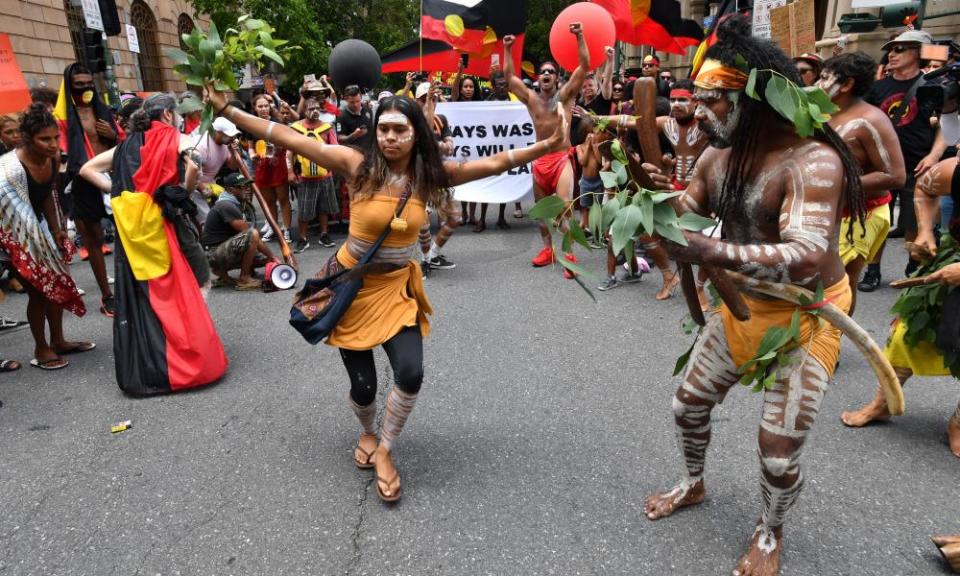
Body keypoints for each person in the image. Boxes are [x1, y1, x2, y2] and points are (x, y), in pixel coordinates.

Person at [206, 79, 567, 502]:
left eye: (400, 129)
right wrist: (229, 110)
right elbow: (284, 135)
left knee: (411, 373)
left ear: (417, 132)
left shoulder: (428, 175)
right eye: (384, 129)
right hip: (351, 287)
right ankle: (366, 431)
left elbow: (495, 163)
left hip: (397, 288)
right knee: (363, 387)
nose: (391, 137)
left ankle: (386, 449)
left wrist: (547, 146)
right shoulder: (358, 167)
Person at [640, 16, 865, 576]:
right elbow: (686, 208)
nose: (700, 112)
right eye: (700, 100)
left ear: (754, 100)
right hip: (740, 308)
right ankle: (693, 483)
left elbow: (809, 253)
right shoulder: (720, 156)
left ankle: (771, 530)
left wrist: (710, 253)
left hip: (806, 315)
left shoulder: (812, 160)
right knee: (687, 406)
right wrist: (641, 206)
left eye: (715, 101)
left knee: (778, 450)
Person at [79, 93, 226, 394]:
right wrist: (181, 192)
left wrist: (119, 192)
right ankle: (190, 352)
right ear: (169, 115)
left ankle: (155, 357)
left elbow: (86, 169)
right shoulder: (175, 138)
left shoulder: (124, 147)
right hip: (164, 225)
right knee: (183, 288)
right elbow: (195, 165)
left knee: (148, 294)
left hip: (133, 228)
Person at [840, 153, 960, 458]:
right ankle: (883, 404)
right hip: (952, 258)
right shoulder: (955, 171)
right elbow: (924, 187)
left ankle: (959, 423)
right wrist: (925, 231)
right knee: (907, 331)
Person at [1, 104, 91, 370]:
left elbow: (47, 196)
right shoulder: (9, 169)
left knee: (56, 285)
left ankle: (58, 341)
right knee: (39, 291)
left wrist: (56, 229)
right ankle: (41, 349)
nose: (53, 144)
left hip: (38, 227)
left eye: (55, 138)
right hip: (10, 234)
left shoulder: (51, 159)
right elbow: (7, 216)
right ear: (28, 139)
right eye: (45, 139)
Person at [817, 52, 906, 315]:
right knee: (814, 282)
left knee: (838, 283)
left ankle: (830, 345)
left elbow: (895, 176)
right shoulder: (823, 112)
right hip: (829, 213)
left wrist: (836, 185)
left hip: (860, 215)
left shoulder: (871, 120)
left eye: (824, 78)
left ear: (846, 85)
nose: (817, 84)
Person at [860, 29, 946, 290]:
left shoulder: (935, 86)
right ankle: (872, 270)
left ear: (919, 53)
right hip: (881, 167)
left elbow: (945, 126)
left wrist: (933, 156)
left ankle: (912, 268)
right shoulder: (877, 87)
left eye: (900, 49)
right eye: (891, 50)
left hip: (917, 165)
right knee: (878, 220)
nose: (892, 54)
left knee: (912, 222)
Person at [503, 23, 590, 275]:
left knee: (564, 207)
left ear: (557, 78)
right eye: (543, 71)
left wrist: (579, 36)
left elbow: (584, 67)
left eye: (551, 71)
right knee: (541, 212)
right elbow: (509, 78)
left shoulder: (565, 96)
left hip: (562, 158)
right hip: (540, 160)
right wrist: (508, 48)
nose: (546, 74)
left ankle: (569, 254)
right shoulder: (531, 98)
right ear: (538, 77)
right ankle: (548, 249)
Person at [57, 63, 122, 317]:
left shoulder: (102, 110)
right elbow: (62, 149)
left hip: (111, 175)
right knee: (94, 241)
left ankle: (133, 286)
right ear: (69, 87)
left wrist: (112, 135)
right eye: (79, 85)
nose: (85, 88)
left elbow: (121, 140)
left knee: (126, 234)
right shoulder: (63, 116)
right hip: (83, 182)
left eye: (88, 83)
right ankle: (107, 296)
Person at [201, 176, 279, 289]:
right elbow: (249, 234)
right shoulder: (226, 205)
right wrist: (272, 257)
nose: (247, 189)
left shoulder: (233, 203)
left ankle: (224, 276)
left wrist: (270, 258)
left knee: (263, 257)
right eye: (242, 187)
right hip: (214, 254)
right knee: (253, 234)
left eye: (247, 186)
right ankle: (244, 278)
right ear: (231, 190)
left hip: (219, 250)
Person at [414, 82, 460, 272]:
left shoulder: (442, 119)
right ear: (417, 101)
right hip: (418, 176)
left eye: (432, 99)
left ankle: (432, 255)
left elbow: (449, 145)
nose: (429, 102)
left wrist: (446, 144)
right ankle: (424, 260)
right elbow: (425, 139)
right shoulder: (412, 120)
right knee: (422, 222)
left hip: (438, 174)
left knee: (455, 217)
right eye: (425, 99)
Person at [289, 97, 340, 251]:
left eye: (318, 108)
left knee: (324, 208)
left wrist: (336, 167)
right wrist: (290, 171)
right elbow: (289, 151)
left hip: (325, 175)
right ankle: (303, 238)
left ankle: (324, 234)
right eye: (311, 109)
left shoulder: (327, 127)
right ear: (304, 111)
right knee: (304, 209)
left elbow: (335, 148)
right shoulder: (296, 128)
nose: (315, 111)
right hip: (304, 176)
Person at [483, 69, 524, 228]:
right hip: (491, 149)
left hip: (508, 148)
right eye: (499, 85)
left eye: (505, 85)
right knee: (487, 182)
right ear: (493, 86)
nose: (503, 87)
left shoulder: (516, 103)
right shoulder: (486, 104)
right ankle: (482, 218)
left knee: (505, 182)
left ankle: (501, 217)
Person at [250, 94, 292, 243]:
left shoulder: (277, 123)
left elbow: (287, 144)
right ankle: (274, 229)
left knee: (283, 198)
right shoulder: (252, 125)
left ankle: (286, 229)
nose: (263, 109)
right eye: (260, 106)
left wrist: (278, 147)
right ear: (255, 108)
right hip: (262, 166)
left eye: (266, 106)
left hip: (277, 164)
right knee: (269, 201)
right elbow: (250, 147)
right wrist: (252, 155)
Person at [185, 117, 241, 221]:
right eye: (229, 135)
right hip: (194, 187)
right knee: (207, 220)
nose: (232, 137)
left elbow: (232, 166)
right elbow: (189, 170)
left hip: (211, 185)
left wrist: (233, 152)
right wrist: (201, 187)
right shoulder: (202, 146)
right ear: (218, 132)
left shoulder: (226, 144)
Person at [337, 85, 374, 151]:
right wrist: (353, 136)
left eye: (358, 101)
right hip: (353, 154)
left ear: (361, 98)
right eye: (352, 102)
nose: (355, 105)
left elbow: (372, 129)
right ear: (346, 100)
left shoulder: (368, 110)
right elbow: (339, 138)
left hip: (370, 151)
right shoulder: (341, 116)